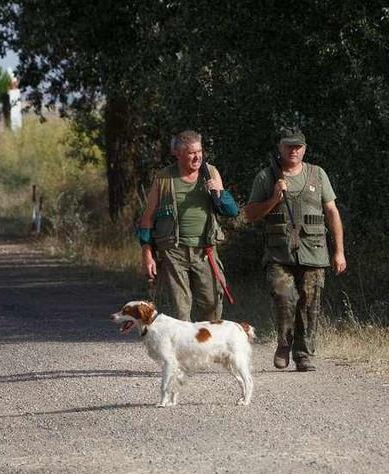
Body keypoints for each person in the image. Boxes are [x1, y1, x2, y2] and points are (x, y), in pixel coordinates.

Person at [244, 127, 346, 371]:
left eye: (298, 146)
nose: (293, 150)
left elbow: (332, 212)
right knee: (283, 296)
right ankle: (283, 342)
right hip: (279, 253)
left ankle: (304, 354)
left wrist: (339, 250)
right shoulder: (266, 177)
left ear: (304, 148)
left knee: (310, 303)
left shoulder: (317, 174)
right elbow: (249, 214)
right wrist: (274, 199)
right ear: (280, 147)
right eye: (288, 146)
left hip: (314, 252)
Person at [136, 130, 237, 322]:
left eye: (199, 151)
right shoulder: (164, 178)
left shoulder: (211, 172)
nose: (197, 156)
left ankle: (208, 350)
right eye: (191, 153)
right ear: (178, 153)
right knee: (180, 311)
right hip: (174, 252)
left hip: (205, 251)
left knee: (212, 306)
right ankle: (185, 351)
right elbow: (147, 220)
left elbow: (231, 211)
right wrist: (147, 255)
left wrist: (220, 192)